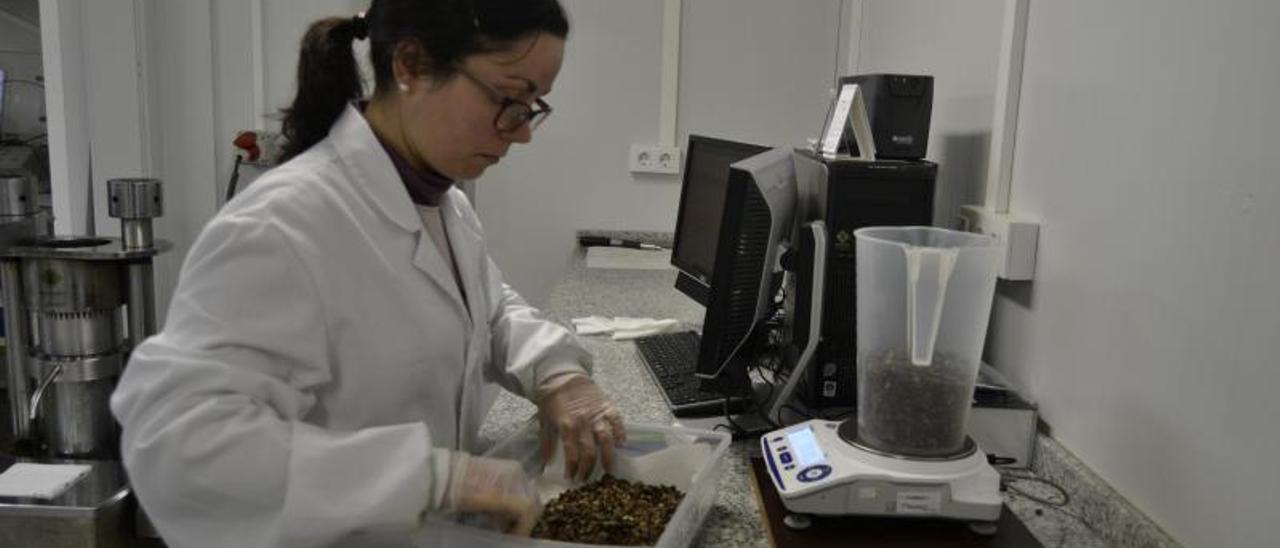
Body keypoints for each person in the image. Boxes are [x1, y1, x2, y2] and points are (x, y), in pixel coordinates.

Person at [110, 1, 625, 545]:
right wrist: (435, 477)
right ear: (410, 65)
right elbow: (178, 445)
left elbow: (486, 310)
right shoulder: (282, 224)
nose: (521, 132)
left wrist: (559, 375)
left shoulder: (443, 205)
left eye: (531, 105)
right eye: (506, 98)